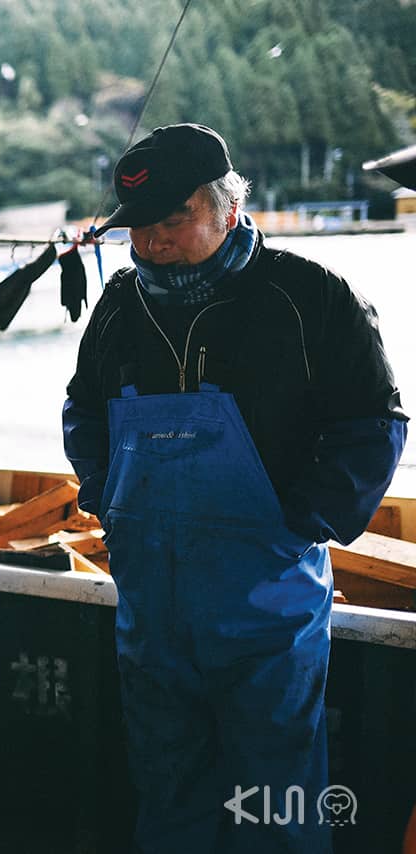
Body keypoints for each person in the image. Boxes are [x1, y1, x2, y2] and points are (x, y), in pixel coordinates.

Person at [63, 123, 407, 854]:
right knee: (169, 789)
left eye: (171, 220)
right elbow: (82, 409)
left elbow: (374, 424)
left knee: (272, 803)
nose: (152, 243)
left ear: (227, 205)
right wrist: (106, 496)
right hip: (151, 607)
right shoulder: (121, 306)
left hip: (265, 611)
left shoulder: (309, 296)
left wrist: (299, 520)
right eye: (138, 229)